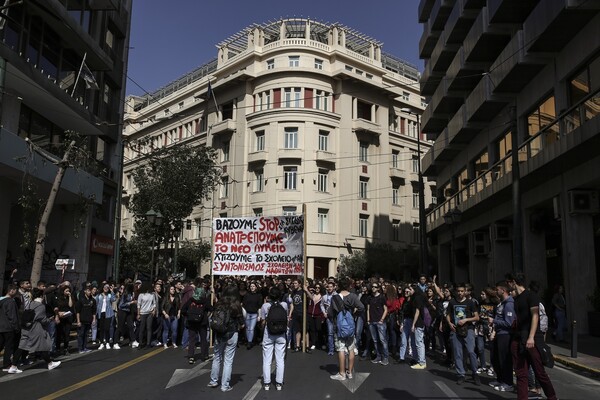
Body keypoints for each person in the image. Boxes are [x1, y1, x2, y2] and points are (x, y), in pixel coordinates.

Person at [507, 273, 557, 400]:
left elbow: (535, 316)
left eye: (508, 282)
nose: (507, 285)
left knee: (540, 373)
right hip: (519, 338)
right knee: (521, 374)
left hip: (533, 339)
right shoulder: (516, 299)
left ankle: (552, 397)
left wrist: (531, 337)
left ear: (513, 282)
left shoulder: (531, 296)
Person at [207, 284, 245, 392]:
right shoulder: (237, 305)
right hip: (232, 333)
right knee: (228, 360)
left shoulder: (219, 303)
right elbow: (242, 323)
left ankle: (213, 381)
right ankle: (225, 385)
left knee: (217, 357)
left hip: (219, 333)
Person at [327, 277, 364, 381]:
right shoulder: (353, 296)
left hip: (339, 327)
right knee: (351, 348)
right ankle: (350, 372)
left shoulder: (335, 298)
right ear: (349, 286)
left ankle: (342, 373)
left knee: (341, 349)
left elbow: (330, 313)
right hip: (350, 325)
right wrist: (353, 314)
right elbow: (361, 307)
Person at [18, 288, 61, 371]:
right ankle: (50, 363)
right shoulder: (40, 306)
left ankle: (13, 365)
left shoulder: (30, 303)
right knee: (43, 345)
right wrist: (51, 319)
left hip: (26, 327)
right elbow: (43, 320)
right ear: (42, 296)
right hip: (36, 328)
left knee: (21, 346)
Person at [446, 282, 480, 385]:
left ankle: (475, 372)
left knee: (471, 351)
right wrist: (449, 323)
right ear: (456, 292)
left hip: (468, 328)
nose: (460, 293)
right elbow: (447, 314)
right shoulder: (452, 302)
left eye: (462, 291)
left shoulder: (470, 302)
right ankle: (461, 374)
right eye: (458, 291)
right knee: (457, 353)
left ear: (465, 291)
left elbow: (477, 317)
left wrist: (466, 320)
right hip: (456, 329)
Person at [489, 280, 515, 392]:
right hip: (499, 333)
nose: (496, 291)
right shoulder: (502, 303)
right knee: (496, 358)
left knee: (505, 359)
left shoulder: (509, 304)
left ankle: (508, 382)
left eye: (497, 289)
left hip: (505, 335)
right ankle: (500, 379)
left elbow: (509, 323)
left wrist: (494, 321)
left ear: (503, 290)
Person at [261, 286, 288, 390]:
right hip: (281, 333)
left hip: (269, 333)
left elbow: (263, 321)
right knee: (280, 359)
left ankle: (267, 383)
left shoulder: (265, 306)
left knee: (267, 359)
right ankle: (279, 383)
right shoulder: (284, 305)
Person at [182, 286, 211, 363]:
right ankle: (204, 355)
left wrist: (188, 316)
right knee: (203, 339)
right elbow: (211, 308)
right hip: (202, 322)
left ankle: (191, 356)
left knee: (192, 339)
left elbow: (183, 310)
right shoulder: (205, 301)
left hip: (191, 322)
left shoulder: (190, 300)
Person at [367, 281, 389, 365]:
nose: (373, 288)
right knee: (375, 340)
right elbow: (368, 309)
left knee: (382, 340)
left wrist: (382, 319)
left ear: (378, 288)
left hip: (380, 322)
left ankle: (385, 357)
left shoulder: (382, 297)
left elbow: (386, 309)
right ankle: (378, 356)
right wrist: (368, 320)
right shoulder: (370, 298)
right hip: (372, 321)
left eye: (375, 287)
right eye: (372, 286)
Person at [1, 285, 21, 373]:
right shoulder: (10, 302)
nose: (16, 293)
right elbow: (12, 316)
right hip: (9, 328)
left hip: (1, 327)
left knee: (1, 345)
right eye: (15, 291)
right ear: (11, 291)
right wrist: (16, 327)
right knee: (9, 347)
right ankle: (7, 364)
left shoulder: (2, 301)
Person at [96, 283, 118, 349]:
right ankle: (102, 343)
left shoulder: (109, 295)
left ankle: (107, 342)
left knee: (107, 328)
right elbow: (96, 303)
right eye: (105, 287)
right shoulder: (99, 296)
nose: (106, 288)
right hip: (101, 313)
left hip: (108, 313)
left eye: (108, 287)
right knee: (101, 329)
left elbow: (114, 299)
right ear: (102, 288)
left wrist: (112, 291)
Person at [75, 285, 96, 353]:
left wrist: (94, 319)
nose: (90, 292)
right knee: (81, 334)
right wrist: (78, 321)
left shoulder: (93, 300)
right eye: (88, 291)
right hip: (82, 320)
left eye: (90, 291)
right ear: (85, 291)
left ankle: (85, 347)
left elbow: (94, 311)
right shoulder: (81, 300)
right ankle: (80, 348)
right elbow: (77, 311)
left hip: (89, 320)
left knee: (86, 334)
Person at [242, 281, 262, 350]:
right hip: (247, 313)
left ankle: (249, 342)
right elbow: (243, 305)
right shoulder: (247, 295)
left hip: (254, 314)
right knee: (247, 328)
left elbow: (259, 306)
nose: (252, 288)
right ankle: (248, 341)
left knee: (251, 328)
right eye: (251, 286)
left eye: (253, 286)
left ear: (256, 287)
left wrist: (259, 315)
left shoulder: (259, 295)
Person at [137, 283, 157, 349]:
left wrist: (154, 310)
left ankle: (148, 343)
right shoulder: (141, 295)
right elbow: (138, 305)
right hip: (142, 313)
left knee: (149, 328)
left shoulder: (152, 295)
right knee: (142, 329)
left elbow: (154, 303)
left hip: (149, 313)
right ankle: (140, 343)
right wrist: (138, 314)